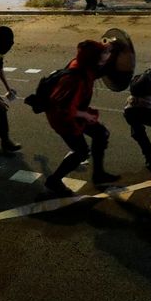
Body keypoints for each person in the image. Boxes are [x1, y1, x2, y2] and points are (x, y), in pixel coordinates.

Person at [43, 40, 120, 196]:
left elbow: (99, 67)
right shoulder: (75, 79)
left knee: (100, 134)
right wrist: (85, 115)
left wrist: (111, 47)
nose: (107, 55)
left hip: (75, 113)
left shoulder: (84, 65)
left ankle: (98, 174)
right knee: (81, 152)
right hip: (63, 119)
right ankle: (54, 180)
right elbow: (63, 107)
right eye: (103, 54)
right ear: (94, 59)